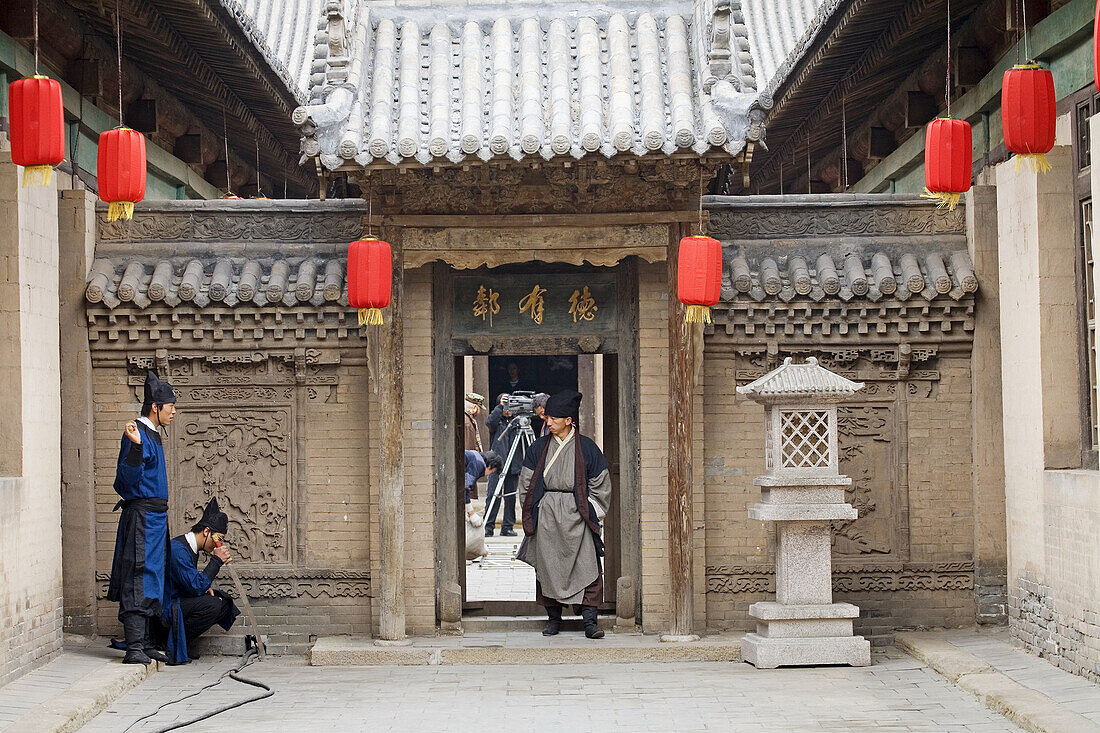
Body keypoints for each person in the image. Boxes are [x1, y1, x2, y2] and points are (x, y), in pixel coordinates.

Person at [518, 390, 612, 639]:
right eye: (547, 417)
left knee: (588, 566)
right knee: (548, 567)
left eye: (553, 419)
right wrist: (535, 512)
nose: (547, 422)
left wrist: (589, 510)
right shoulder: (539, 447)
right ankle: (553, 620)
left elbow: (600, 483)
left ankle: (590, 622)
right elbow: (526, 484)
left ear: (569, 420)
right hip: (548, 514)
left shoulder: (587, 448)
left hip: (578, 513)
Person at [107, 370, 177, 665]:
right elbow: (125, 481)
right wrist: (135, 447)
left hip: (157, 519)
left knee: (155, 575)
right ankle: (134, 645)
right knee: (139, 573)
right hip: (142, 518)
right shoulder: (136, 433)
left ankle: (145, 642)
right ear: (155, 407)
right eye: (170, 406)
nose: (174, 411)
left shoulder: (154, 434)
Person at [161, 498, 240, 665]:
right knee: (212, 605)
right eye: (218, 538)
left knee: (223, 601)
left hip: (178, 599)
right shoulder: (178, 550)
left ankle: (181, 641)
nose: (219, 544)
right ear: (206, 532)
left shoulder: (191, 549)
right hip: (164, 607)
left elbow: (189, 583)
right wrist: (216, 560)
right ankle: (169, 642)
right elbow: (195, 585)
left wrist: (204, 589)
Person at [485, 409, 523, 537]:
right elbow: (489, 422)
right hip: (496, 464)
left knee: (510, 497)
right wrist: (500, 408)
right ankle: (488, 526)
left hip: (513, 464)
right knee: (493, 495)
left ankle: (507, 527)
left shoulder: (518, 422)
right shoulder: (497, 422)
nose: (508, 410)